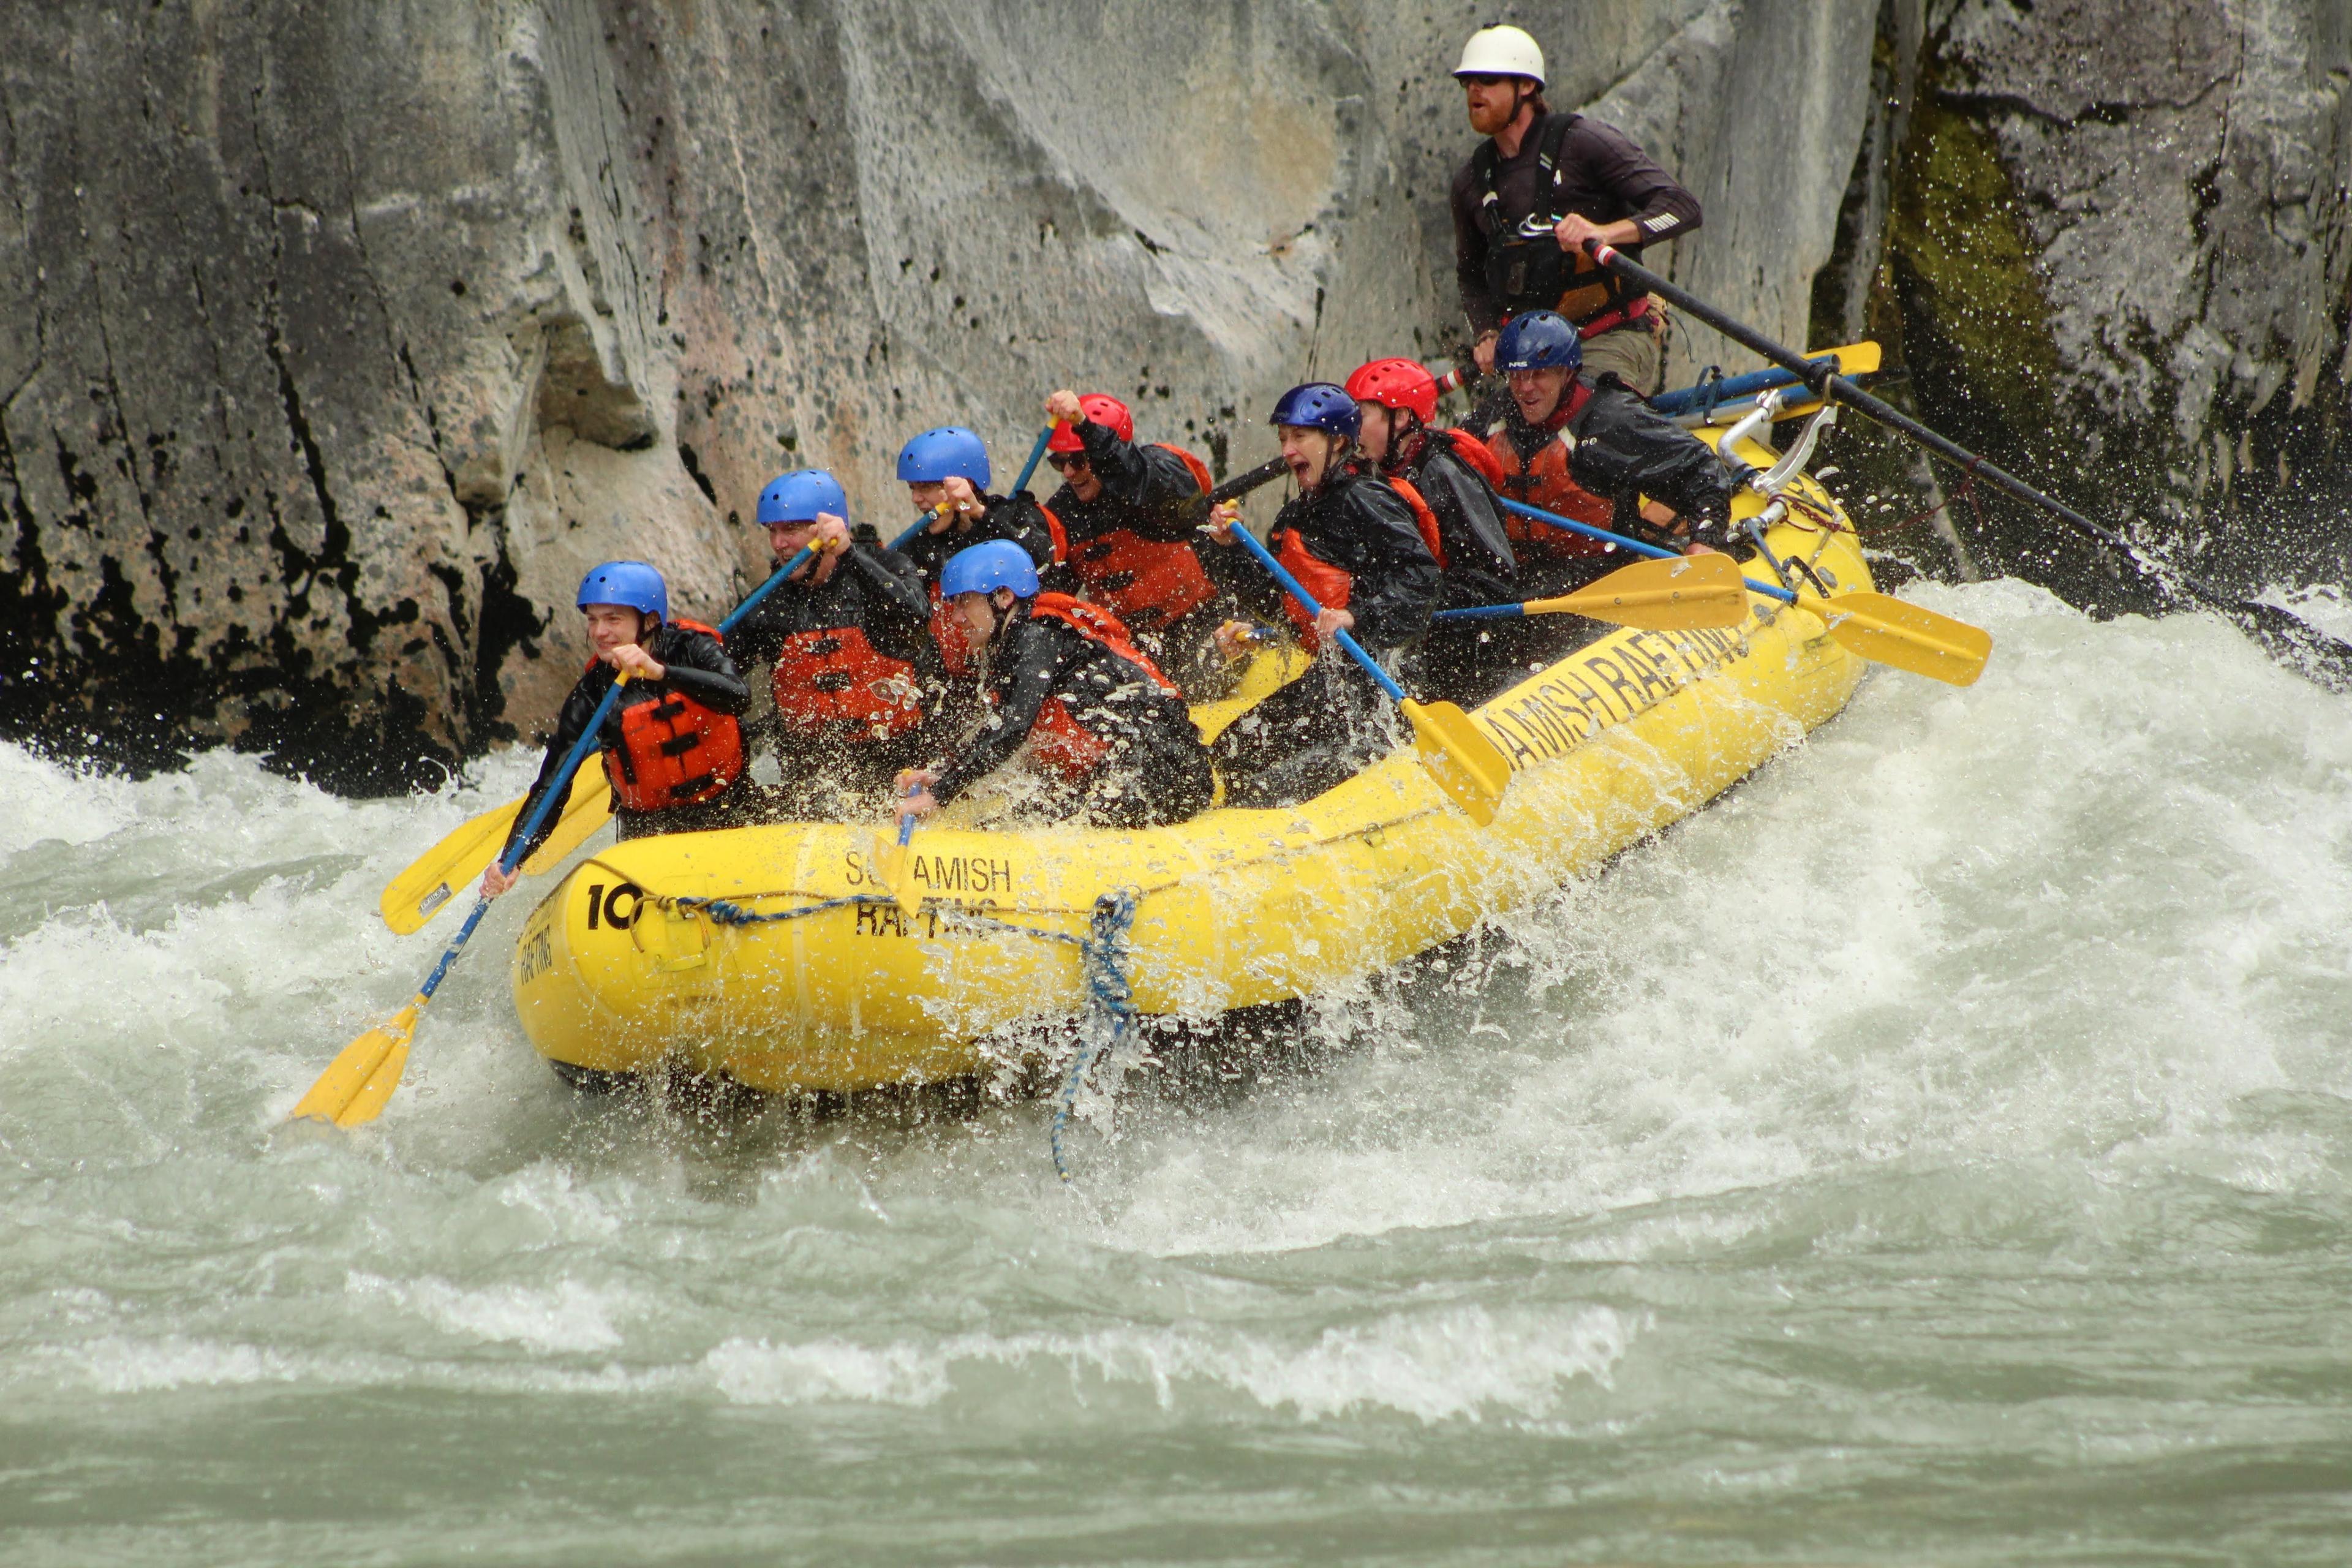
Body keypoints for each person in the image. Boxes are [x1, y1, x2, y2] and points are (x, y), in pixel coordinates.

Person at [1202, 383, 1442, 808]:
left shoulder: (1366, 499)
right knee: (1232, 754)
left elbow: (1421, 576)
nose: (1288, 450)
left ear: (1338, 442)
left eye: (1300, 437)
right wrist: (1229, 551)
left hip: (1385, 680)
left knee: (1274, 783)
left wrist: (1357, 616)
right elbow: (1278, 598)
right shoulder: (1297, 515)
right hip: (1336, 681)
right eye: (1283, 439)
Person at [1450, 23, 1702, 395]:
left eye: (1487, 79)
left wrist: (1603, 234)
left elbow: (1683, 207)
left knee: (1581, 416)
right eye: (1467, 81)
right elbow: (1471, 277)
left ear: (1526, 87)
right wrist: (1487, 332)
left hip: (1612, 336)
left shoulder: (1584, 143)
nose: (1474, 90)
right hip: (1533, 361)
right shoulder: (1470, 182)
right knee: (1488, 446)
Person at [893, 540, 1214, 830]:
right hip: (1135, 769)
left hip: (1171, 776)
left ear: (1004, 597)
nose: (956, 619)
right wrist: (947, 775)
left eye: (965, 603)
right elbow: (999, 728)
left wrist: (939, 795)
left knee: (1031, 823)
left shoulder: (1038, 636)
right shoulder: (1013, 640)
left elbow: (1013, 728)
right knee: (1017, 817)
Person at [482, 561, 750, 895]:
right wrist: (512, 860)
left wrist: (661, 673)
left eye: (613, 619)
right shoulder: (591, 696)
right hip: (650, 834)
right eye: (593, 620)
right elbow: (552, 787)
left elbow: (738, 696)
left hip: (730, 811)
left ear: (650, 620)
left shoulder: (691, 649)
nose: (599, 632)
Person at [1344, 355, 1564, 702]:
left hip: (1470, 637)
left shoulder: (1442, 473)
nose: (1350, 428)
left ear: (1400, 418)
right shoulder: (1376, 475)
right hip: (1416, 622)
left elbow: (1492, 580)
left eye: (1360, 415)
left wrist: (1410, 604)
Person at [724, 469, 944, 809]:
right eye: (774, 532)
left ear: (828, 528)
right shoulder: (768, 604)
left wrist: (849, 556)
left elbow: (915, 618)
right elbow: (721, 680)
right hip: (813, 778)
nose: (779, 544)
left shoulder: (885, 567)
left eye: (791, 530)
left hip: (903, 767)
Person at [1482, 310, 1740, 598]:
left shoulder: (1611, 420)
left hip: (1598, 581)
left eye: (1539, 374)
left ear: (1567, 373)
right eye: (1517, 376)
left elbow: (1701, 468)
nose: (1525, 388)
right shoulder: (1495, 417)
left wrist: (1705, 540)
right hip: (1515, 581)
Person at [1037, 388, 1236, 696]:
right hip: (1133, 649)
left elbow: (1141, 479)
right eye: (1059, 462)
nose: (1068, 473)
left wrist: (1086, 427)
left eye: (1078, 460)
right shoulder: (1064, 514)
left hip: (1207, 625)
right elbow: (1047, 597)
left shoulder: (1157, 474)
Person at [894, 424, 1066, 680]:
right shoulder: (924, 544)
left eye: (926, 487)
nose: (916, 499)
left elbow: (1041, 562)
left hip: (1027, 667)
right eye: (912, 489)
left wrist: (979, 514)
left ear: (967, 483)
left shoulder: (1016, 514)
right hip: (958, 682)